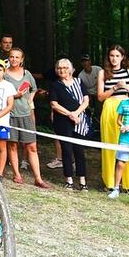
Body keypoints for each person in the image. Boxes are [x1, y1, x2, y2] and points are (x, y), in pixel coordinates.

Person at [5, 47, 51, 188]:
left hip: (26, 114)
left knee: (32, 147)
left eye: (17, 57)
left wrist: (29, 100)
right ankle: (16, 174)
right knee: (12, 145)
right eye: (12, 57)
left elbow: (34, 88)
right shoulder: (4, 74)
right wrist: (15, 96)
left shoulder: (27, 74)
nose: (14, 59)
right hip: (10, 115)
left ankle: (38, 178)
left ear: (22, 59)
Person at [97, 44, 129, 192]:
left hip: (127, 107)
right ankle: (110, 182)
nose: (114, 59)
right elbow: (100, 97)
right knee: (109, 144)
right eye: (112, 55)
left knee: (128, 145)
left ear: (122, 57)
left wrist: (126, 87)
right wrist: (114, 88)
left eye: (117, 56)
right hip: (109, 106)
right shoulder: (103, 73)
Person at [49, 57, 92, 190]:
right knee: (66, 150)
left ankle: (82, 180)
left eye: (65, 68)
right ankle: (69, 179)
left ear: (71, 70)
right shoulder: (55, 85)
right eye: (60, 68)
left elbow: (86, 100)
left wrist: (76, 113)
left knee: (79, 150)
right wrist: (69, 114)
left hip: (79, 120)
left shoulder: (79, 82)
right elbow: (54, 104)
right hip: (62, 121)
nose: (62, 70)